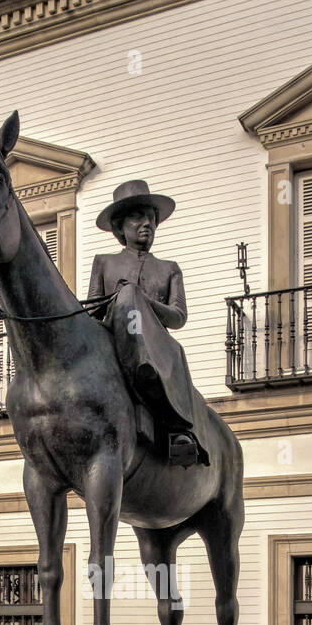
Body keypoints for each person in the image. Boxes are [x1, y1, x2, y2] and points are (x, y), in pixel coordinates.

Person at [88, 180, 210, 466]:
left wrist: (142, 300)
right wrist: (121, 299)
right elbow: (92, 309)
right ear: (120, 228)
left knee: (173, 348)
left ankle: (181, 431)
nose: (147, 224)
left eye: (151, 218)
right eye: (137, 217)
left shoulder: (168, 269)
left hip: (157, 348)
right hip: (114, 337)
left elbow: (178, 317)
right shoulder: (103, 262)